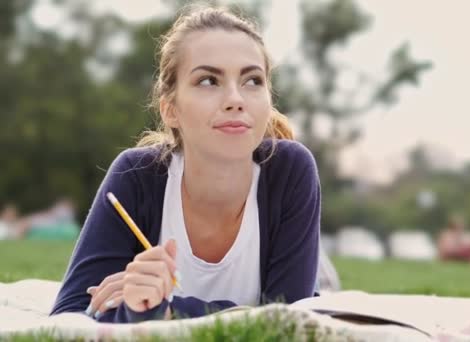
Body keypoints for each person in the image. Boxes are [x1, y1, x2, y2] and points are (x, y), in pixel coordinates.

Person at [51, 5, 321, 323]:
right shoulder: (136, 177)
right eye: (208, 81)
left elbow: (290, 321)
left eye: (252, 81)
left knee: (322, 291)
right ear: (170, 110)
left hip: (293, 245)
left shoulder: (290, 171)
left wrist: (168, 311)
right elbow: (70, 315)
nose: (236, 98)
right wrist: (138, 308)